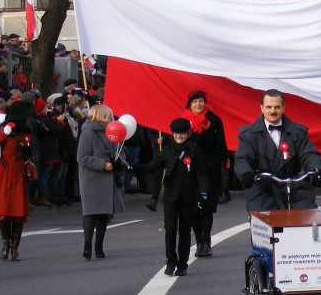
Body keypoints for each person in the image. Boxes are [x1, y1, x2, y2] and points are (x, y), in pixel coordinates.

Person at [132, 118, 211, 276]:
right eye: (176, 133)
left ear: (188, 133)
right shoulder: (167, 150)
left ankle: (182, 264)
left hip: (188, 196)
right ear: (172, 133)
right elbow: (152, 166)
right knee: (170, 229)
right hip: (170, 196)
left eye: (182, 133)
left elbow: (201, 173)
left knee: (185, 230)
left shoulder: (194, 150)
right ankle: (170, 261)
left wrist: (203, 193)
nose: (179, 136)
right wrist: (132, 167)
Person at [235, 89, 321, 212]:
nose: (273, 111)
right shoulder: (249, 134)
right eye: (269, 107)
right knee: (263, 219)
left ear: (283, 108)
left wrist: (317, 168)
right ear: (261, 108)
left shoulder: (298, 132)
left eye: (277, 107)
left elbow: (309, 154)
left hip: (294, 187)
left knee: (306, 215)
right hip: (263, 188)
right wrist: (246, 174)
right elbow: (242, 158)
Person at [0, 100, 34, 261]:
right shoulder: (6, 130)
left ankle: (15, 248)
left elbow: (27, 152)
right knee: (4, 212)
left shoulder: (25, 133)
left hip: (19, 174)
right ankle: (6, 245)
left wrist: (28, 152)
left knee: (18, 213)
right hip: (5, 173)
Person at [76, 103, 126, 260]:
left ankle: (99, 246)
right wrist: (102, 164)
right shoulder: (88, 132)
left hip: (107, 178)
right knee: (90, 212)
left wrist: (119, 161)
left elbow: (120, 152)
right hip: (91, 178)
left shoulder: (112, 131)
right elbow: (82, 157)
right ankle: (87, 245)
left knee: (103, 214)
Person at [182, 89, 227, 258]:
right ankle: (199, 242)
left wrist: (212, 163)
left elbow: (222, 146)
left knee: (207, 207)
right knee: (193, 208)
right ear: (190, 105)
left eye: (201, 101)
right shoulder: (184, 123)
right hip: (190, 172)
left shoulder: (214, 120)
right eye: (195, 101)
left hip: (210, 171)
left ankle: (207, 241)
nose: (198, 104)